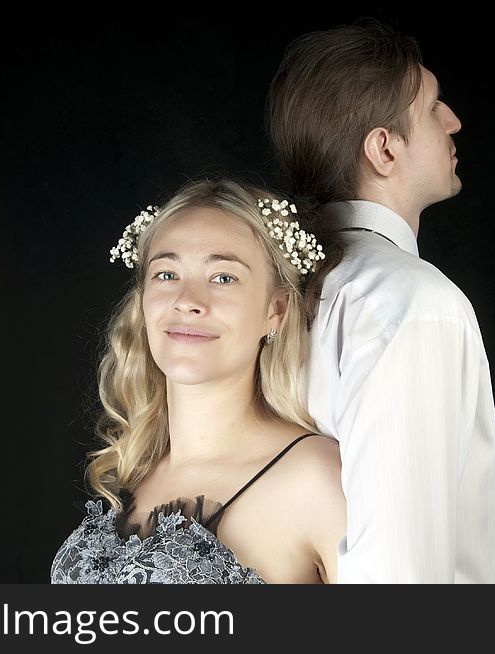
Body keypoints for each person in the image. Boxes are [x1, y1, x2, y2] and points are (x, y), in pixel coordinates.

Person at [266, 19, 495, 583]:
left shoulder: (273, 290)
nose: (454, 120)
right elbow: (400, 577)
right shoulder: (411, 305)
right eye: (435, 105)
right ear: (383, 149)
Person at [51, 178, 345, 584]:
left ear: (275, 310)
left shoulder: (315, 477)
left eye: (223, 277)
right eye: (167, 274)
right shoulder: (140, 467)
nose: (187, 300)